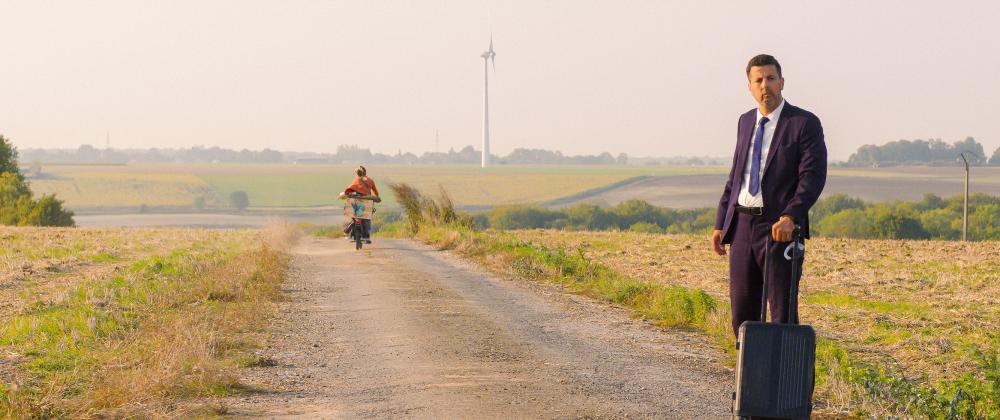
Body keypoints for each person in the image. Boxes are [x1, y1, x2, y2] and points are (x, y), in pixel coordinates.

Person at [711, 54, 827, 336]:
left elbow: (812, 177)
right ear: (750, 87)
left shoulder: (804, 123)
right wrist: (720, 223)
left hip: (779, 229)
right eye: (759, 80)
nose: (765, 85)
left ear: (782, 82)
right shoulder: (745, 122)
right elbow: (736, 176)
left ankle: (783, 366)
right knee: (742, 315)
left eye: (771, 79)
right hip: (741, 227)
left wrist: (791, 216)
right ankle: (748, 366)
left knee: (782, 315)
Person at [342, 166, 379, 243]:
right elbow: (376, 193)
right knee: (367, 219)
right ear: (365, 172)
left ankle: (349, 231)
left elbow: (349, 189)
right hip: (367, 202)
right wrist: (376, 197)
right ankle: (367, 237)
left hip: (357, 201)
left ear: (357, 173)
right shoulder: (370, 180)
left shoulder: (356, 180)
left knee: (354, 215)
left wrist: (347, 193)